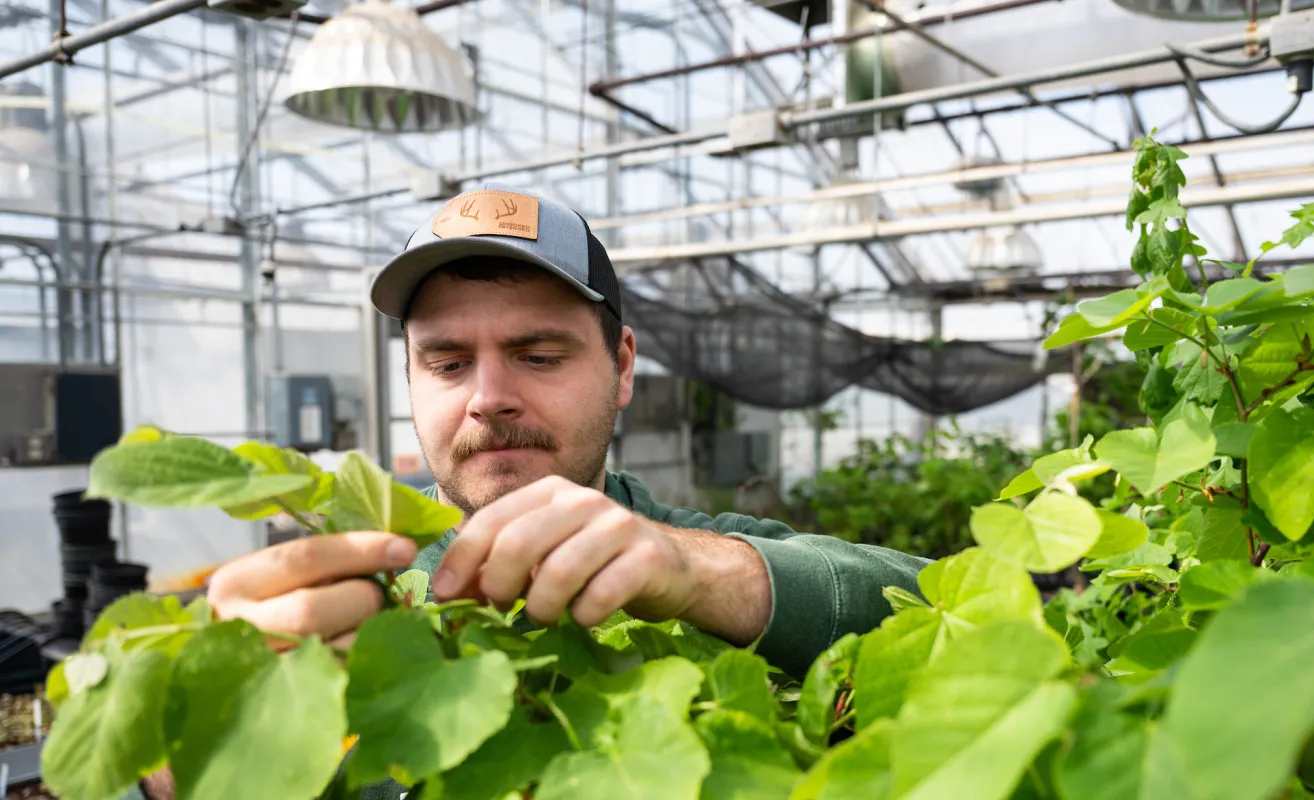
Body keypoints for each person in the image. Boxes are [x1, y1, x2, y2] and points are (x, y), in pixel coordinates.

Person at [128, 185, 929, 800]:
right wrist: (186, 756)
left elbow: (930, 606)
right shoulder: (349, 597)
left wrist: (695, 574)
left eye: (539, 354)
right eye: (446, 363)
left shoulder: (685, 554)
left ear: (621, 368)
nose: (488, 397)